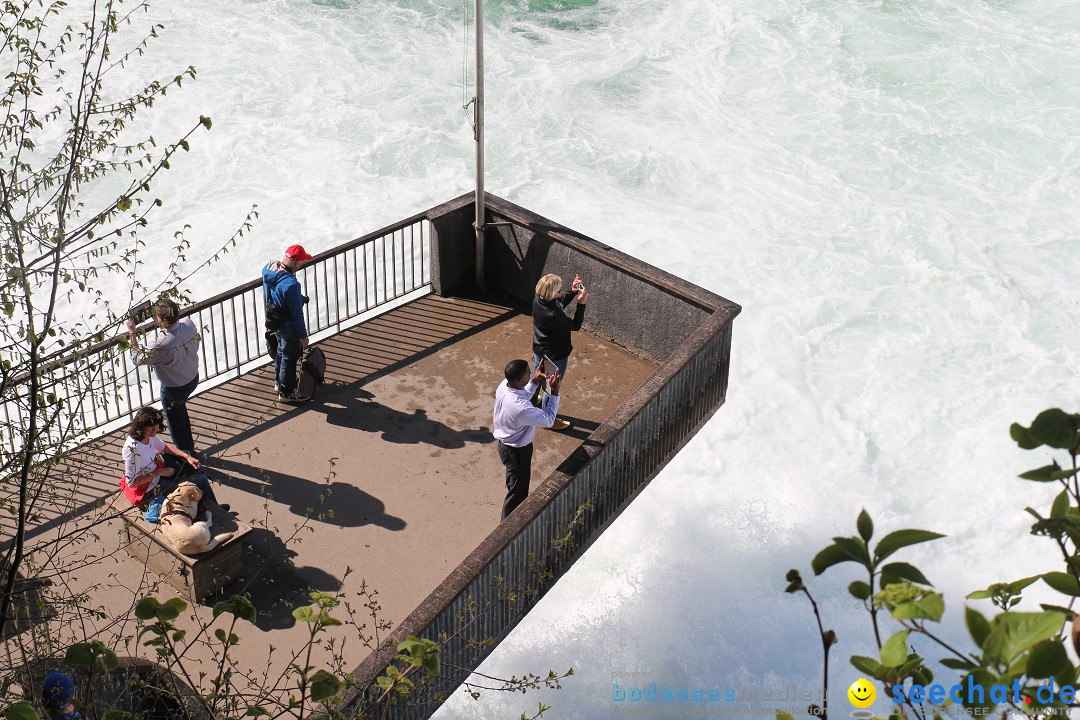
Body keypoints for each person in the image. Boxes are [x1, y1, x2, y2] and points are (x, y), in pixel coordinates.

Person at [126, 298, 201, 453]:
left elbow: (137, 358)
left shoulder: (161, 345)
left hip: (174, 388)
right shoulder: (189, 324)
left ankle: (186, 456)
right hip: (192, 378)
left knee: (175, 422)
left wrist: (132, 333)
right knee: (179, 410)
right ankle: (189, 448)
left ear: (159, 319)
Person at [492, 359, 561, 520]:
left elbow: (522, 395)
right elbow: (549, 420)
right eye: (528, 374)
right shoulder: (521, 408)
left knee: (515, 485)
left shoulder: (505, 386)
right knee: (518, 493)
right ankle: (508, 527)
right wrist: (555, 391)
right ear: (520, 380)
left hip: (506, 447)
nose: (531, 374)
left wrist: (535, 381)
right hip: (517, 453)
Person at [119, 406, 224, 509]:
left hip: (156, 472)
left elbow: (164, 447)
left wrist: (187, 457)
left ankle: (206, 505)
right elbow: (132, 483)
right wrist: (160, 472)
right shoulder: (132, 450)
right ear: (141, 426)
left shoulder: (147, 436)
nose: (156, 429)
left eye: (156, 425)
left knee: (185, 459)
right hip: (149, 489)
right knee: (201, 480)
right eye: (151, 427)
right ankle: (217, 512)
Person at [531, 272, 587, 431]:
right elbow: (575, 325)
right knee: (551, 385)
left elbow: (559, 302)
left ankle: (531, 401)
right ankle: (548, 419)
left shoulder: (538, 300)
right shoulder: (553, 314)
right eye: (558, 290)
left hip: (540, 349)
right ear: (551, 293)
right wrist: (581, 303)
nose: (560, 292)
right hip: (554, 355)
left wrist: (572, 292)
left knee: (536, 377)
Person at [263, 244, 312, 403]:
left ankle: (279, 383)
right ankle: (287, 393)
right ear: (296, 263)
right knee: (290, 359)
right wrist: (303, 337)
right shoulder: (291, 285)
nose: (302, 264)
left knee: (280, 352)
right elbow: (297, 315)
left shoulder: (268, 270)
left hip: (274, 321)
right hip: (288, 327)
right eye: (302, 262)